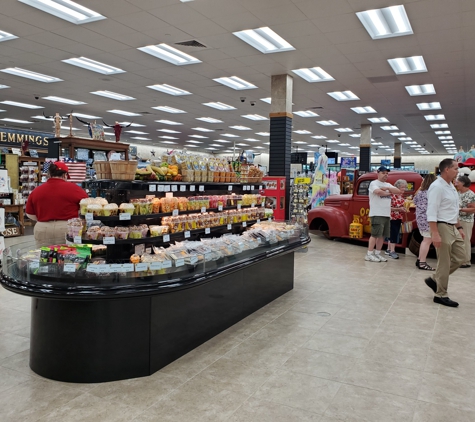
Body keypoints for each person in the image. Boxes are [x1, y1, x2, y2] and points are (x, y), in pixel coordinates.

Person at [424, 158, 465, 307]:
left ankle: (435, 279)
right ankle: (440, 294)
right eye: (455, 168)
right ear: (446, 169)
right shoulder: (437, 186)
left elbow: (453, 209)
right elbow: (432, 211)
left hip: (452, 226)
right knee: (444, 261)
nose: (458, 171)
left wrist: (459, 227)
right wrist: (435, 233)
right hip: (441, 226)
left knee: (461, 257)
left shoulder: (451, 186)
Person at [26, 162, 88, 243]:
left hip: (42, 228)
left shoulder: (36, 191)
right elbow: (86, 208)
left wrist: (44, 218)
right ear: (65, 175)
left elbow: (29, 214)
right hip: (67, 227)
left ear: (49, 174)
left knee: (44, 254)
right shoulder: (76, 189)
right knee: (68, 254)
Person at [365, 166, 403, 262]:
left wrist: (386, 188)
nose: (385, 175)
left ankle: (377, 253)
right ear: (378, 173)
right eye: (383, 173)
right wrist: (389, 192)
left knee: (382, 235)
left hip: (386, 214)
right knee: (375, 234)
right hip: (377, 213)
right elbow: (378, 192)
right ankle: (369, 254)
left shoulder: (388, 184)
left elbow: (398, 191)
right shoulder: (373, 183)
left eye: (387, 173)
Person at [413, 173, 437, 270]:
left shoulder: (420, 192)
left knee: (425, 240)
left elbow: (414, 201)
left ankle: (419, 259)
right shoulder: (431, 193)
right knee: (427, 241)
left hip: (420, 219)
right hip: (428, 219)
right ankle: (422, 262)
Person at [386, 179, 408, 259]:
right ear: (397, 187)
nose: (404, 189)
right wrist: (399, 209)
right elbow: (388, 208)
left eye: (405, 187)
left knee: (393, 233)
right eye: (402, 187)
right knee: (394, 233)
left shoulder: (401, 196)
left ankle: (388, 249)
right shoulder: (392, 196)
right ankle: (392, 251)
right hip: (392, 217)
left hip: (399, 217)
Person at [456, 175, 475, 268]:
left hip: (466, 221)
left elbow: (473, 209)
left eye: (458, 182)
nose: (456, 183)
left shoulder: (471, 194)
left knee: (465, 240)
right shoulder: (458, 193)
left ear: (463, 183)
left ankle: (466, 261)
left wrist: (460, 209)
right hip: (457, 220)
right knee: (458, 241)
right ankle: (459, 260)